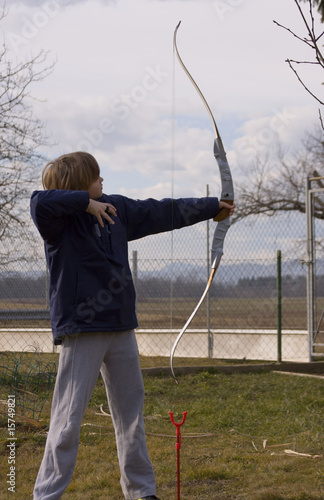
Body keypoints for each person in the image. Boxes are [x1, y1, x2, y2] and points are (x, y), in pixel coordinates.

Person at [30, 151, 235, 500]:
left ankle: (142, 492)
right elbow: (39, 202)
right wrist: (85, 205)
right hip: (83, 330)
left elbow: (162, 211)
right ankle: (46, 495)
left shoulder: (117, 209)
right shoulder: (58, 222)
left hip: (121, 326)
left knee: (131, 417)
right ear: (79, 185)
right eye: (96, 178)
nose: (102, 182)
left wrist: (212, 206)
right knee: (67, 421)